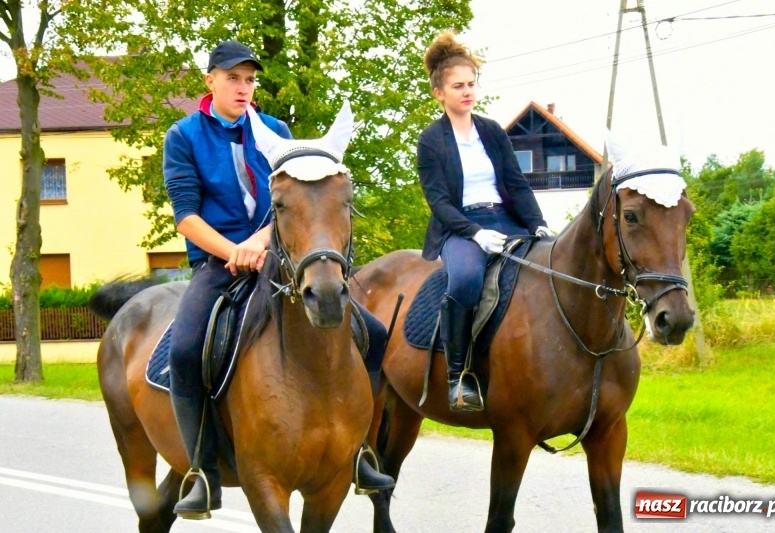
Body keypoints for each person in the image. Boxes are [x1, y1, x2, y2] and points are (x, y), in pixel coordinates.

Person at [163, 40, 394, 519]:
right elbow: (185, 216)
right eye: (232, 78)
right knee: (184, 349)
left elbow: (293, 204)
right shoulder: (183, 136)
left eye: (249, 80)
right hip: (217, 263)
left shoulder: (276, 132)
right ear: (210, 81)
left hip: (279, 259)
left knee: (372, 333)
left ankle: (360, 452)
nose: (242, 87)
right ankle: (202, 472)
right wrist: (235, 250)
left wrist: (261, 240)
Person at [417, 32, 551, 412]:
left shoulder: (491, 130)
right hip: (459, 227)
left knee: (549, 267)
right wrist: (475, 233)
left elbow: (515, 182)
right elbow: (439, 202)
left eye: (471, 84)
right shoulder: (430, 140)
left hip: (506, 219)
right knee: (465, 280)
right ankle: (459, 377)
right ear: (439, 93)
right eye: (458, 86)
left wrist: (538, 223)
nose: (467, 92)